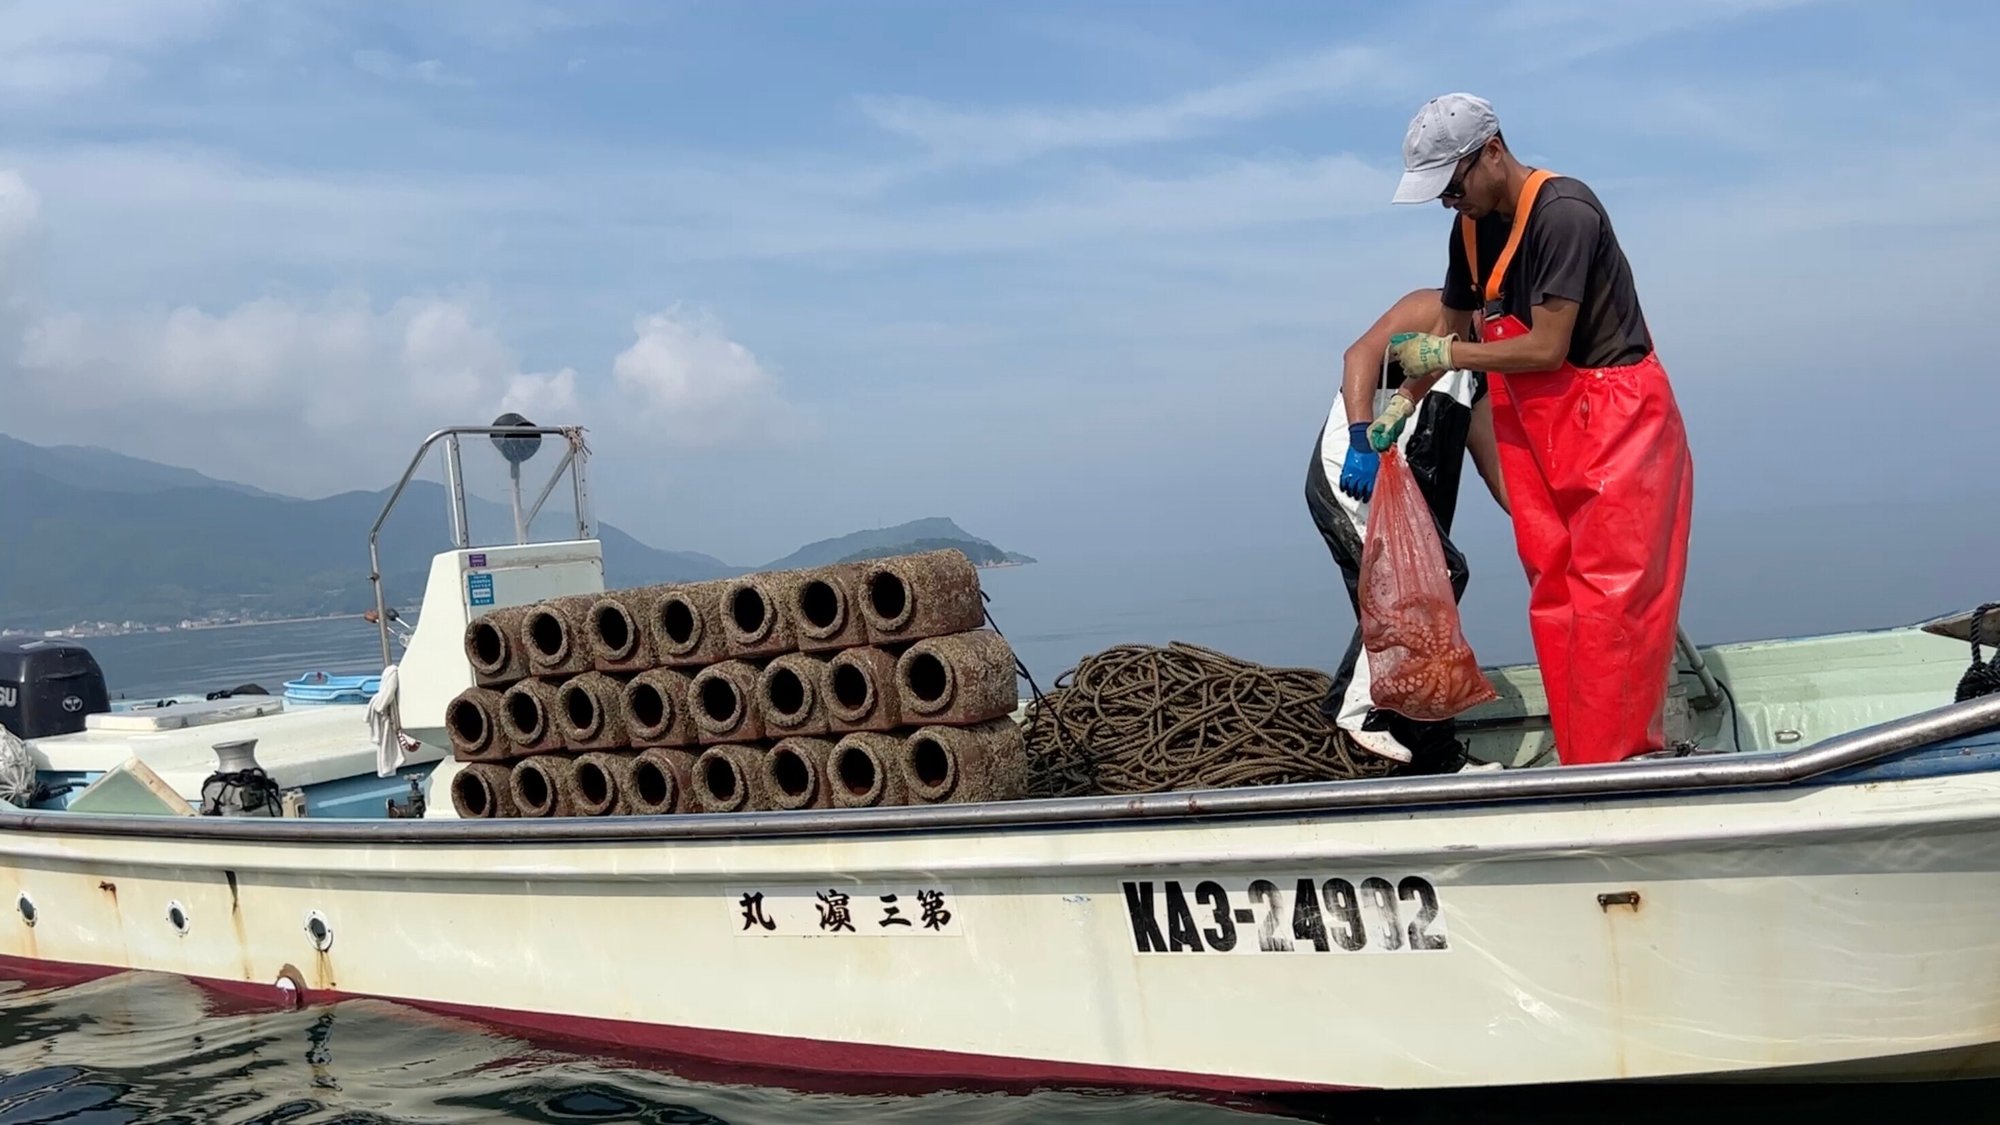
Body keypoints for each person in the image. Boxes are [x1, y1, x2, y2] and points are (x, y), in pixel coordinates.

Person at [1373, 92, 1695, 766]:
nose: (1448, 202)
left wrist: (1446, 355)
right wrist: (1404, 398)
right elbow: (1450, 334)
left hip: (1615, 421)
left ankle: (1618, 766)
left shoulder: (1564, 213)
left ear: (1492, 151)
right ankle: (1583, 763)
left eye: (1452, 186)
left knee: (1613, 604)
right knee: (1556, 597)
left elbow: (1546, 347)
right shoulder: (1469, 231)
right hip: (1535, 428)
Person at [1305, 286, 1507, 773]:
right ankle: (1353, 708)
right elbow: (1359, 355)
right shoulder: (1434, 307)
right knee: (1428, 584)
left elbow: (1493, 464)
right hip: (1352, 478)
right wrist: (1360, 439)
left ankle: (1436, 760)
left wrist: (1546, 523)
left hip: (1402, 501)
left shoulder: (1479, 372)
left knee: (1427, 608)